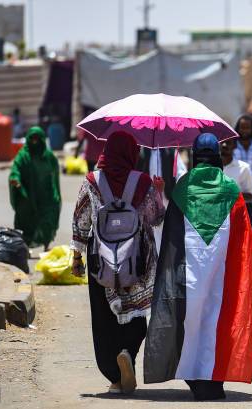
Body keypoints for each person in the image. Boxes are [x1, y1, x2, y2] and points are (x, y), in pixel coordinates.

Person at [144, 133, 252, 401]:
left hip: (188, 274)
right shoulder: (231, 188)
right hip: (220, 274)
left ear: (195, 155)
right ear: (217, 156)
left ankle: (195, 378)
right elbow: (244, 240)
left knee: (189, 322)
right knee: (215, 323)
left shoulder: (183, 187)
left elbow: (172, 236)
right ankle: (212, 380)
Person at [70, 131, 165, 394]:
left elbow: (81, 220)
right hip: (136, 259)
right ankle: (128, 352)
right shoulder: (143, 182)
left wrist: (76, 257)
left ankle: (114, 377)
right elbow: (156, 218)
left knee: (103, 318)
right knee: (135, 313)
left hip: (100, 258)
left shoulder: (92, 180)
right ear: (132, 153)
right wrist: (159, 193)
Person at [9, 126, 61, 251]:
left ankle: (46, 243)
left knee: (48, 219)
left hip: (46, 195)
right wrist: (15, 179)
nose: (34, 141)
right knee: (26, 221)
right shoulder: (23, 156)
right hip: (28, 195)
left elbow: (55, 174)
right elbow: (15, 169)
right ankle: (25, 247)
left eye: (37, 138)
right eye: (32, 138)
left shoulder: (48, 156)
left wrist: (55, 193)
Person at [221, 138, 252, 203]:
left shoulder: (244, 168)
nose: (224, 145)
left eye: (228, 142)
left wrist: (233, 195)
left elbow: (250, 196)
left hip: (235, 212)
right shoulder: (210, 167)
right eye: (222, 142)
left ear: (235, 146)